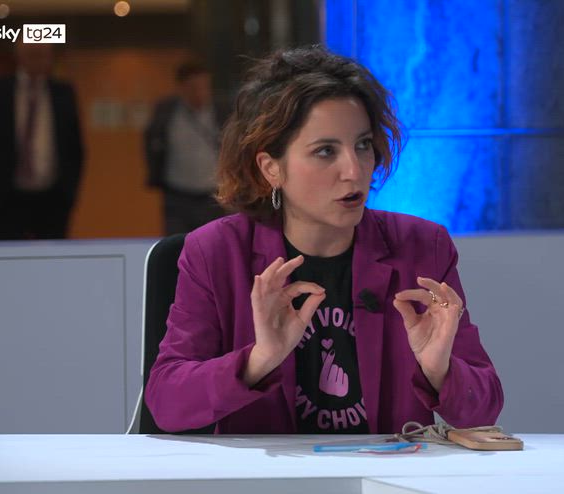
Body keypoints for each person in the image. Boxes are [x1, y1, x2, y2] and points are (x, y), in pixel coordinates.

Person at [145, 46, 503, 434]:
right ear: (271, 168)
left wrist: (440, 370)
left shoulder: (422, 246)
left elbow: (483, 410)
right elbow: (168, 403)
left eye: (362, 145)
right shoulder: (215, 252)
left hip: (385, 467)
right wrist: (259, 359)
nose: (354, 170)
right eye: (325, 151)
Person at [0, 42, 84, 240]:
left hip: (53, 197)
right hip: (7, 196)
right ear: (19, 56)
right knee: (8, 252)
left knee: (52, 253)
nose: (38, 61)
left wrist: (69, 189)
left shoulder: (63, 93)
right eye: (33, 54)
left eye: (43, 55)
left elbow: (75, 146)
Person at [144, 61, 226, 235]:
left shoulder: (222, 111)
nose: (200, 93)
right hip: (177, 195)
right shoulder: (166, 112)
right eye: (194, 87)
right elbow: (151, 143)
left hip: (213, 195)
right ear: (181, 88)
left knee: (213, 242)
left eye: (204, 87)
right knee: (176, 243)